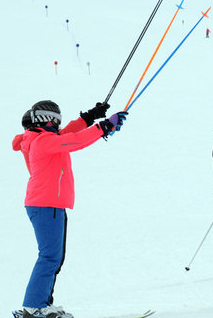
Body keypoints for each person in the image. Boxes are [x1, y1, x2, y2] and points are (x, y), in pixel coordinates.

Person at [12, 100, 127, 318]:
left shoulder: (40, 139)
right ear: (47, 119)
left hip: (46, 204)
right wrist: (103, 127)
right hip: (46, 204)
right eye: (56, 118)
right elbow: (74, 141)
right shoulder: (43, 142)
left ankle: (40, 303)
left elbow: (68, 134)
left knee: (53, 257)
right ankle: (34, 306)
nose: (58, 123)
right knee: (49, 257)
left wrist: (90, 117)